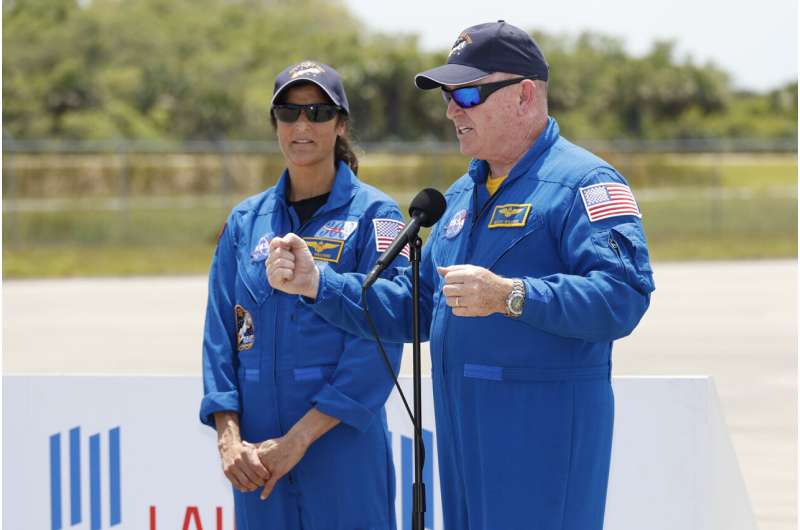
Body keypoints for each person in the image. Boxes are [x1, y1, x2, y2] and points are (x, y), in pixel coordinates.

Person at [267, 22, 656, 530]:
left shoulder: (583, 183)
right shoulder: (457, 198)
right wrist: (317, 283)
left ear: (523, 96)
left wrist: (511, 295)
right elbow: (420, 307)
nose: (453, 109)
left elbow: (623, 294)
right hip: (461, 439)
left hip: (541, 441)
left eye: (468, 94)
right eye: (449, 96)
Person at [199, 61, 407, 530]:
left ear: (340, 124)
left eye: (317, 112)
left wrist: (298, 440)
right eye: (288, 113)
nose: (302, 125)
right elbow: (220, 337)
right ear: (275, 124)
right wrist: (230, 441)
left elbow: (380, 337)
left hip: (340, 450)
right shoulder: (245, 221)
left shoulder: (376, 216)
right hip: (259, 460)